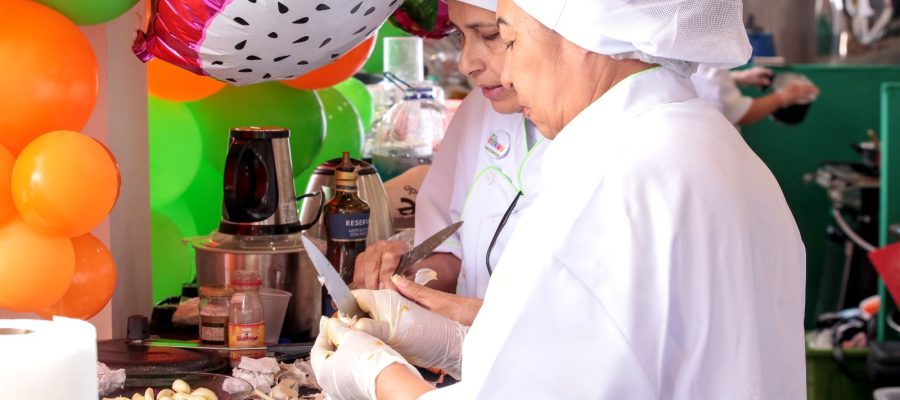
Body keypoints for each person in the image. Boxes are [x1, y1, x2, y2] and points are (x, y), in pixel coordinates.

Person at [312, 0, 807, 398]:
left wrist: (371, 374)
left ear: (582, 35)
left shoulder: (609, 180)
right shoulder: (715, 146)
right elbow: (610, 358)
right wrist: (461, 342)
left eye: (507, 37)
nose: (506, 74)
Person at [352, 0, 546, 324]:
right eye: (461, 37)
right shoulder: (480, 110)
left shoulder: (626, 142)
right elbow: (450, 250)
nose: (465, 64)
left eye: (491, 35)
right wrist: (409, 277)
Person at [692, 64, 820, 126]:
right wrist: (784, 96)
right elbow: (739, 113)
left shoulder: (687, 47)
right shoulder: (706, 51)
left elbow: (700, 83)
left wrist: (735, 78)